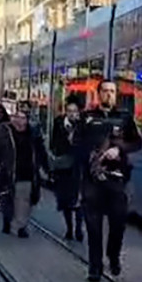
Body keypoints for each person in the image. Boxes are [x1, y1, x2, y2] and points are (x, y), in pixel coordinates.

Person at [79, 79, 142, 282]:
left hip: (116, 180)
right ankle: (94, 267)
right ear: (99, 94)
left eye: (112, 91)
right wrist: (88, 155)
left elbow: (137, 143)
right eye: (105, 91)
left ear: (116, 95)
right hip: (93, 180)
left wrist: (120, 149)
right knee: (93, 226)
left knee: (118, 223)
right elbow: (76, 144)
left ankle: (113, 255)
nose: (108, 95)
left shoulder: (124, 118)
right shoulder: (87, 118)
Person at [0, 106, 48, 238]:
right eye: (17, 117)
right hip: (7, 172)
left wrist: (46, 168)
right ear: (12, 119)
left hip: (26, 172)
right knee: (8, 199)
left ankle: (20, 226)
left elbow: (41, 151)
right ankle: (9, 221)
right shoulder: (4, 132)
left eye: (23, 118)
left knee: (24, 199)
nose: (20, 121)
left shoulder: (33, 134)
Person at [50, 96, 85, 241]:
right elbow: (53, 143)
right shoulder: (58, 123)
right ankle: (69, 228)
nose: (72, 114)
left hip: (78, 168)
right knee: (65, 200)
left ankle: (78, 228)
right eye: (69, 111)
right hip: (63, 168)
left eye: (75, 112)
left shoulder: (82, 125)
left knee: (78, 200)